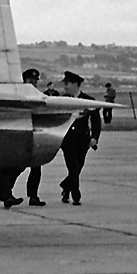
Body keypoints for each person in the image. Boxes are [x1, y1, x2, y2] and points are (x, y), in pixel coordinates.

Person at [58, 71, 101, 205]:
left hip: (83, 139)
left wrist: (95, 137)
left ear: (76, 84)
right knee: (74, 166)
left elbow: (96, 121)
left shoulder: (88, 101)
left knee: (78, 166)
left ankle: (66, 187)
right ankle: (75, 195)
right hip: (67, 140)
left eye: (67, 83)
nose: (65, 86)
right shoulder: (63, 100)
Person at [21, 68, 47, 206]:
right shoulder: (18, 94)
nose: (33, 83)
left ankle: (33, 196)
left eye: (35, 81)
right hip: (19, 135)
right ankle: (7, 193)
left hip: (33, 135)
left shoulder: (38, 96)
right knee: (15, 168)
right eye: (31, 80)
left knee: (36, 168)